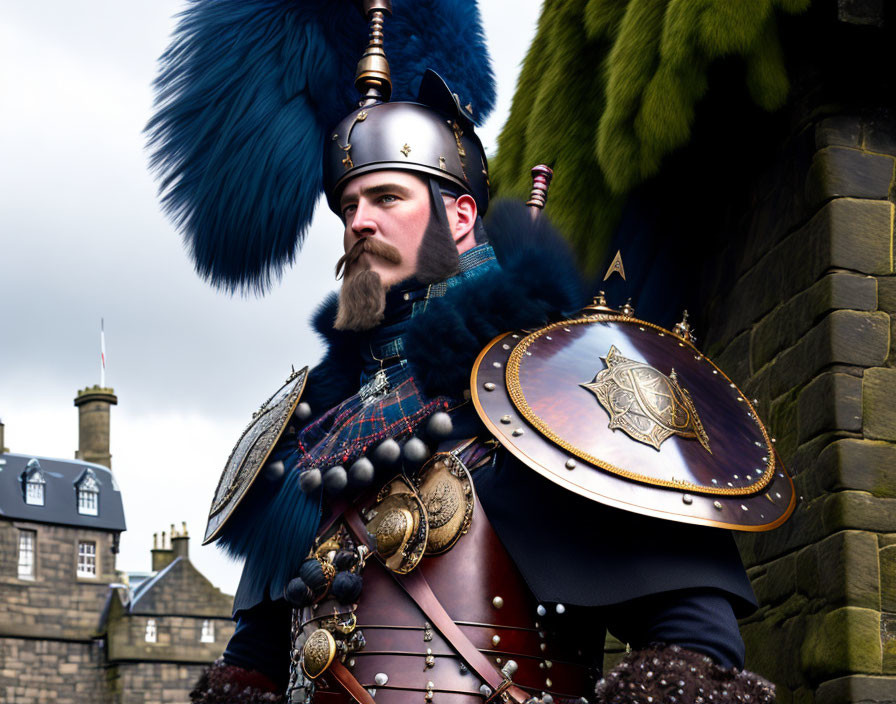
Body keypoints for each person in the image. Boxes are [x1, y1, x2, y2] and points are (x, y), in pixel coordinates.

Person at [148, 3, 790, 703]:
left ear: (459, 217)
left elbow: (693, 645)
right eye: (348, 207)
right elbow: (257, 662)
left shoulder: (567, 378)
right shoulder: (311, 442)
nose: (358, 221)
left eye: (386, 196)